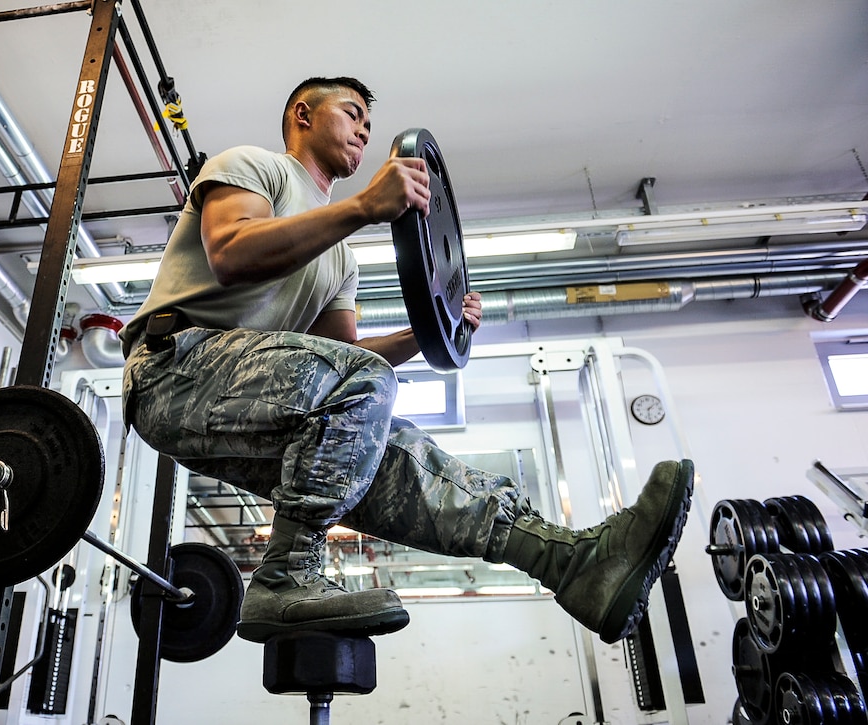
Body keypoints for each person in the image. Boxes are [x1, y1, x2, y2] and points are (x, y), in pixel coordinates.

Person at [120, 76, 693, 646]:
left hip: (239, 406)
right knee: (360, 385)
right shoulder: (254, 166)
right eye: (350, 114)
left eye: (369, 125)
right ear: (303, 114)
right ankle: (287, 578)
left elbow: (345, 358)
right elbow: (232, 252)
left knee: (397, 460)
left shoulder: (340, 259)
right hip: (171, 371)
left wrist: (429, 330)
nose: (363, 130)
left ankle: (568, 563)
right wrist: (366, 206)